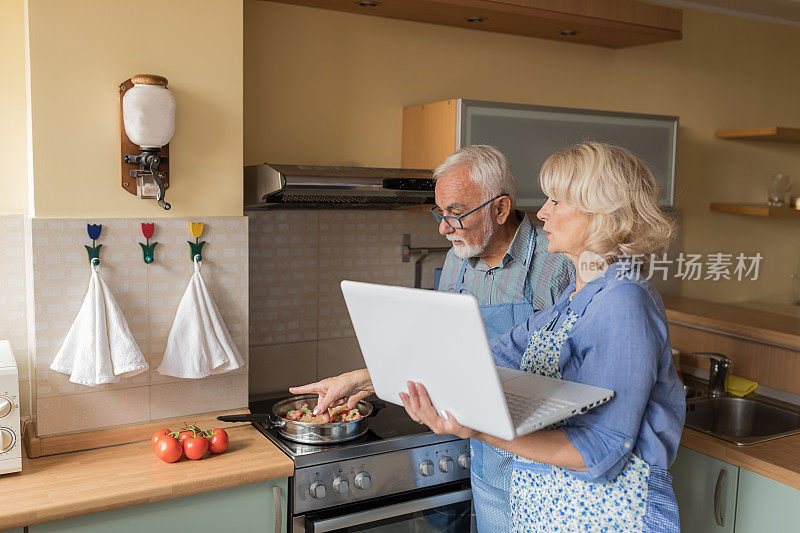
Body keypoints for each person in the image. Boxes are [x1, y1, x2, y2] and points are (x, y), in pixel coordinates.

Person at [400, 142, 685, 532]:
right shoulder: (579, 295)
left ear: (601, 214)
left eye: (557, 201)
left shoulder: (623, 302)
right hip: (555, 510)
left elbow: (600, 452)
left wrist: (476, 429)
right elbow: (499, 352)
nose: (542, 212)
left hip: (610, 518)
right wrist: (367, 377)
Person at [290, 145, 574, 531]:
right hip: (483, 452)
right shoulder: (459, 258)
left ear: (501, 209)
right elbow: (441, 355)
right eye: (440, 213)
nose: (443, 227)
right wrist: (364, 379)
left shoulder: (558, 263)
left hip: (545, 463)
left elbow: (569, 381)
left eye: (455, 213)